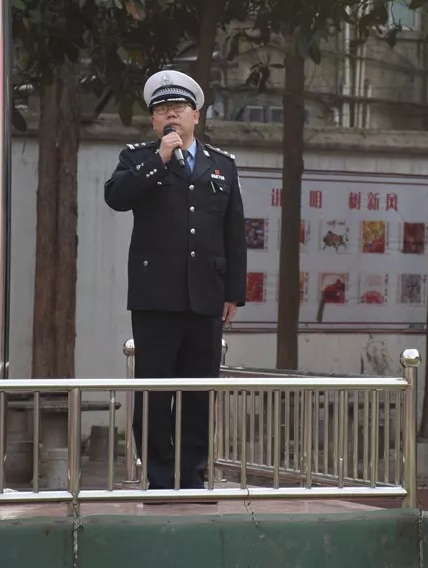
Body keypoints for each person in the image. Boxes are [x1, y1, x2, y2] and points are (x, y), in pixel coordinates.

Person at [104, 69, 247, 492]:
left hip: (206, 296)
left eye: (179, 107)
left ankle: (193, 474)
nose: (171, 114)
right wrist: (160, 160)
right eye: (163, 109)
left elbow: (234, 233)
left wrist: (233, 293)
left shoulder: (222, 165)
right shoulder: (138, 158)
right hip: (156, 297)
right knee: (155, 391)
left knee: (199, 391)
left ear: (196, 116)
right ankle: (160, 477)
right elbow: (116, 197)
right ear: (153, 120)